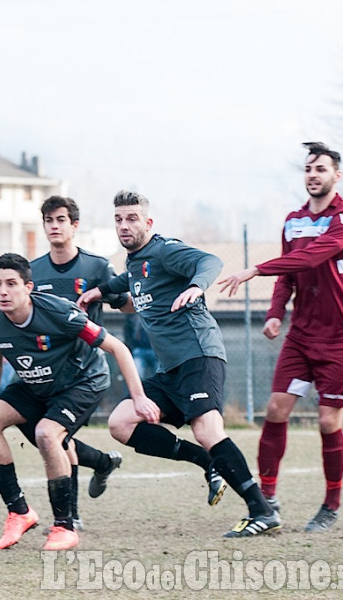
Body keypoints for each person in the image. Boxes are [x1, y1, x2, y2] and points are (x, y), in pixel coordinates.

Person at [78, 190, 281, 538]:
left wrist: (197, 288)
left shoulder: (164, 250)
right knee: (121, 422)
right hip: (171, 369)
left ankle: (261, 510)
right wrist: (99, 293)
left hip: (199, 354)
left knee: (207, 431)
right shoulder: (135, 263)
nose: (124, 226)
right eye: (118, 219)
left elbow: (210, 262)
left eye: (132, 218)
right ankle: (206, 462)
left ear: (148, 222)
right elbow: (129, 292)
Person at [219, 142, 343, 533]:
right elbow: (290, 275)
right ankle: (267, 501)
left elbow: (311, 258)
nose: (313, 175)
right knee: (275, 409)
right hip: (302, 334)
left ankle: (330, 505)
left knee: (327, 421)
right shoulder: (292, 221)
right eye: (308, 169)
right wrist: (273, 314)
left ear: (337, 175)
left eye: (321, 168)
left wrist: (254, 270)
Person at [0, 253, 149, 551]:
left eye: (11, 284)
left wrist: (138, 398)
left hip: (82, 381)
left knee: (47, 435)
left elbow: (117, 347)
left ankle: (64, 526)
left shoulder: (59, 312)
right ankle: (19, 512)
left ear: (28, 287)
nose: (3, 291)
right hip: (34, 383)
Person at [28, 195, 127, 520]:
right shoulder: (34, 271)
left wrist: (151, 299)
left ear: (74, 225)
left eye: (60, 220)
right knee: (49, 435)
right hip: (47, 374)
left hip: (85, 374)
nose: (54, 226)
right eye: (48, 221)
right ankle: (101, 462)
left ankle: (69, 516)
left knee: (55, 436)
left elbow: (125, 303)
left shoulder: (96, 267)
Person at [123, 312, 158, 380]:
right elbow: (127, 332)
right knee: (136, 377)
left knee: (160, 377)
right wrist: (132, 347)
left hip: (155, 350)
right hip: (138, 349)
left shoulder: (154, 311)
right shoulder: (131, 314)